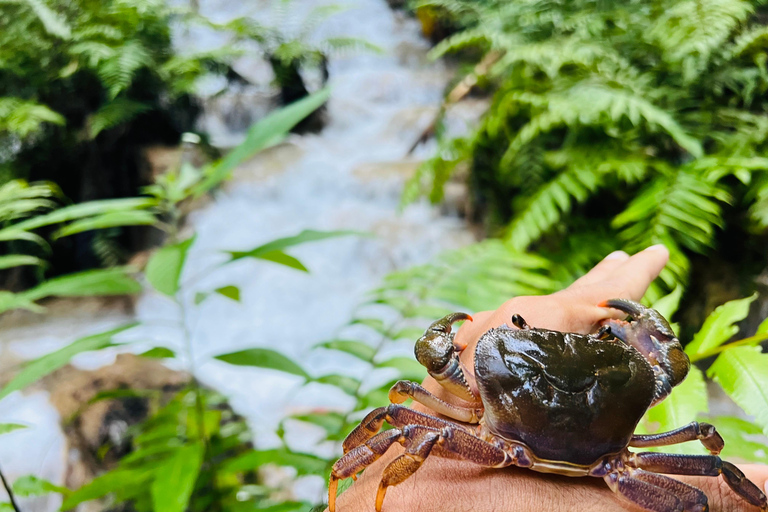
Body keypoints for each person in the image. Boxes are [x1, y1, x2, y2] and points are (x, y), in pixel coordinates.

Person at [331, 245, 768, 512]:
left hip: (495, 445)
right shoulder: (636, 369)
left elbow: (407, 392)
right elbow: (707, 439)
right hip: (621, 467)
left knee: (403, 420)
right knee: (706, 486)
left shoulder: (499, 350)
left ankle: (341, 484)